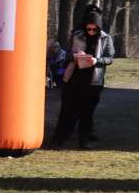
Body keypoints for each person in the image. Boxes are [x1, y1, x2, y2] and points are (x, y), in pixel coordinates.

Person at [49, 11, 115, 150]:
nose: (91, 31)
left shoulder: (105, 38)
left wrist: (96, 60)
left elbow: (109, 58)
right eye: (88, 28)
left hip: (93, 80)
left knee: (87, 111)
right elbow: (67, 53)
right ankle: (59, 138)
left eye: (94, 29)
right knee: (67, 109)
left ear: (99, 27)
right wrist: (76, 56)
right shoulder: (77, 35)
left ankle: (83, 140)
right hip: (73, 77)